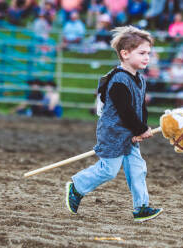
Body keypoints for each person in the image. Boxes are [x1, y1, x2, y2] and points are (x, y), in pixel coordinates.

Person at [65, 26, 163, 222]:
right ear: (125, 54)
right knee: (108, 170)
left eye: (148, 54)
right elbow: (125, 111)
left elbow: (139, 107)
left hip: (131, 134)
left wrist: (142, 127)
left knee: (137, 169)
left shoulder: (140, 79)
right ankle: (77, 186)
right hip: (113, 133)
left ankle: (141, 207)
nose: (147, 58)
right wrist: (140, 129)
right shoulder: (118, 80)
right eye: (142, 53)